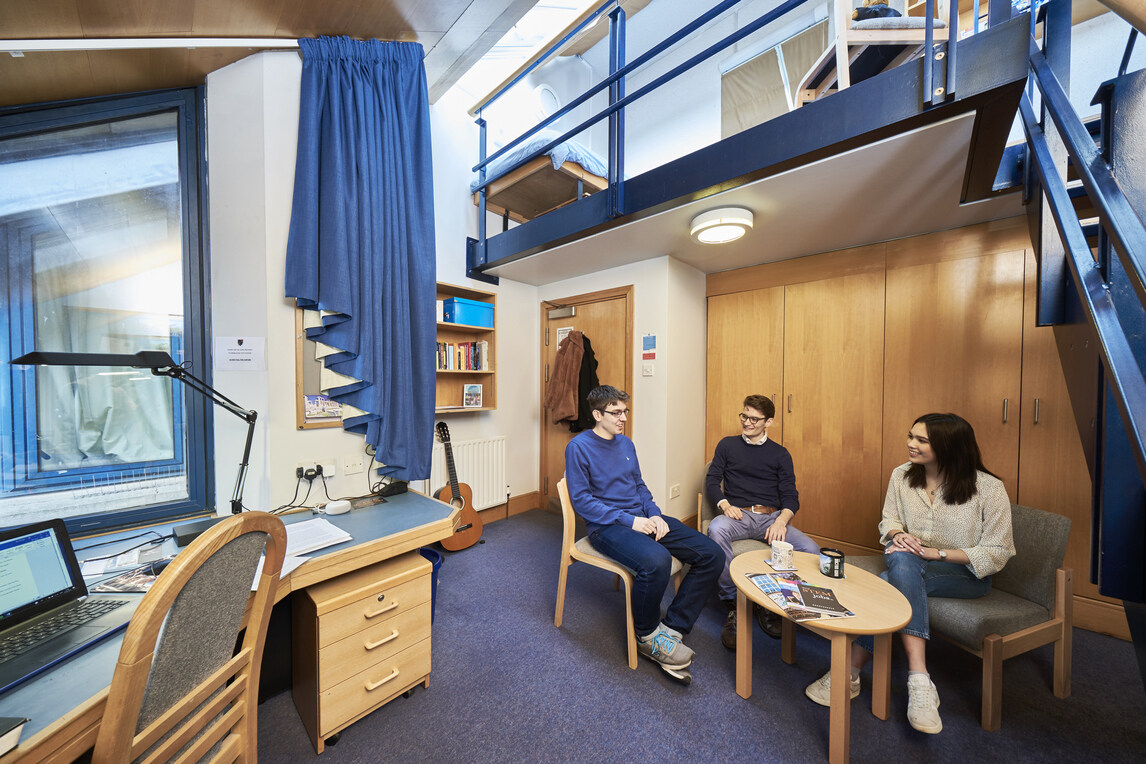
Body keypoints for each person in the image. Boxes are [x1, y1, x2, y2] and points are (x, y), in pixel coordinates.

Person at [803, 413, 1015, 734]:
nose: (910, 444)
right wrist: (897, 534)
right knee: (902, 561)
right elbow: (888, 521)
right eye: (910, 436)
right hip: (910, 564)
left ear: (948, 447)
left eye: (921, 440)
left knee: (892, 580)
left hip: (965, 575)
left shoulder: (988, 488)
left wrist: (936, 553)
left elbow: (998, 552)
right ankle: (919, 679)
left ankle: (849, 672)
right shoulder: (902, 476)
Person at [565, 385, 724, 677]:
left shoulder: (626, 444)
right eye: (616, 412)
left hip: (643, 517)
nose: (623, 417)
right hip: (608, 527)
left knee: (711, 553)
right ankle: (647, 636)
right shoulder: (578, 447)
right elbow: (583, 502)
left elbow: (639, 485)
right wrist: (631, 521)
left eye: (625, 411)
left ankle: (673, 626)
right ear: (597, 414)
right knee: (656, 561)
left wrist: (653, 513)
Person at [706, 394, 820, 648]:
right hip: (740, 513)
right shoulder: (727, 445)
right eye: (744, 416)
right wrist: (724, 504)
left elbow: (790, 494)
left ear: (768, 422)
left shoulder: (780, 454)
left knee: (811, 550)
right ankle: (733, 602)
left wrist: (782, 520)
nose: (747, 422)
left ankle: (773, 603)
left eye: (754, 419)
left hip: (772, 517)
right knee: (716, 529)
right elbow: (712, 480)